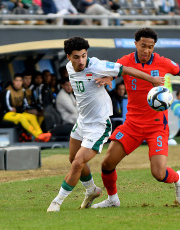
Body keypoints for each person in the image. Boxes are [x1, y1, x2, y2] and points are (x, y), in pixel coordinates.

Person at [92, 28, 180, 208]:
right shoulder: (124, 62)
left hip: (156, 126)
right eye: (143, 46)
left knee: (158, 174)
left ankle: (178, 178)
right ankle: (113, 199)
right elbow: (110, 72)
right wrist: (108, 78)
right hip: (132, 125)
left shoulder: (162, 62)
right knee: (107, 163)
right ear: (135, 44)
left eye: (150, 47)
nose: (146, 51)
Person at [47, 36, 164, 212]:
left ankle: (57, 202)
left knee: (78, 162)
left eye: (84, 56)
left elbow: (126, 69)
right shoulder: (68, 68)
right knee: (73, 159)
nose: (81, 61)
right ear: (68, 57)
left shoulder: (96, 65)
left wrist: (151, 79)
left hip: (99, 124)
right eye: (77, 57)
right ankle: (92, 190)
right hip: (82, 122)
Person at [1, 74, 51, 142]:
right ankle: (37, 136)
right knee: (22, 117)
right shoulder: (8, 91)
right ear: (13, 82)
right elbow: (7, 106)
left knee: (31, 117)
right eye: (17, 81)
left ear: (22, 82)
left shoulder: (23, 90)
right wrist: (16, 109)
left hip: (18, 113)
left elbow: (25, 105)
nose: (18, 83)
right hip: (7, 114)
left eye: (20, 81)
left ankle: (40, 134)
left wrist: (32, 110)